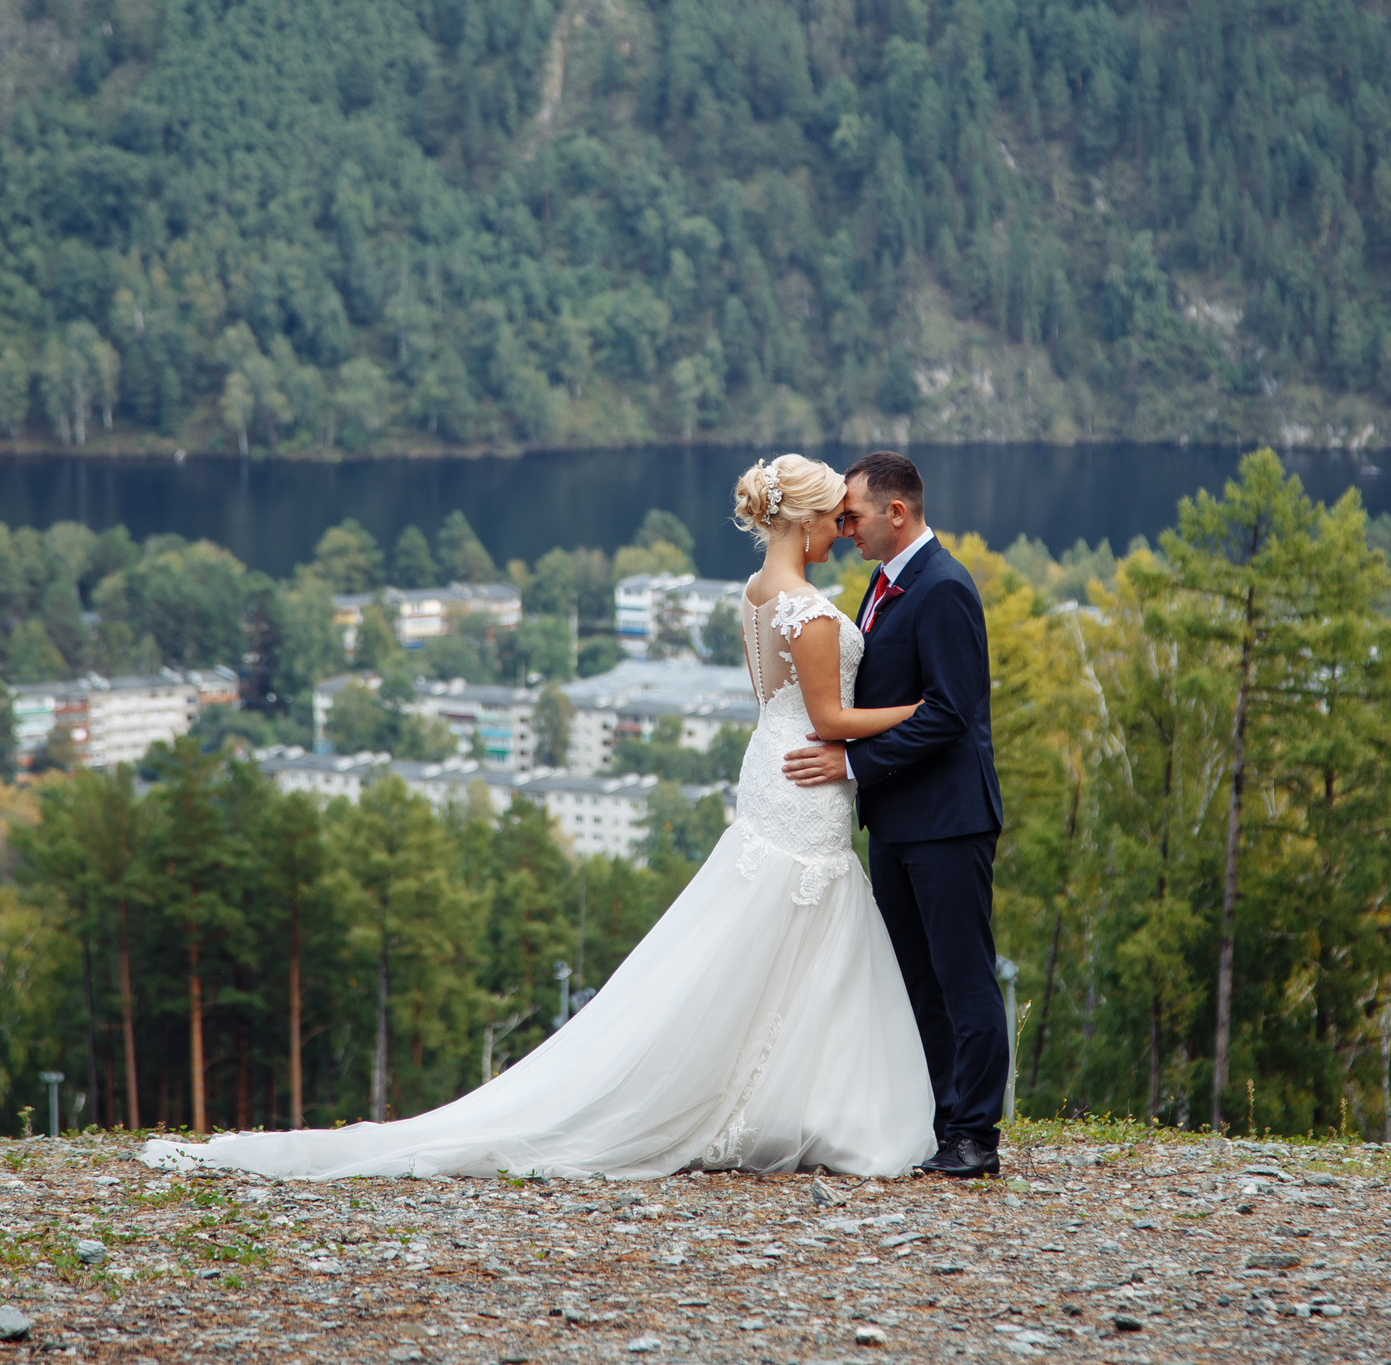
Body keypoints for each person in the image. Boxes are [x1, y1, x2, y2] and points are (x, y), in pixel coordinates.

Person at [139, 455, 935, 1181]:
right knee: (790, 933)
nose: (844, 529)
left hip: (771, 764)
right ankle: (800, 1105)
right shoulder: (809, 609)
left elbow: (774, 702)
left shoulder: (756, 595)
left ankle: (769, 1099)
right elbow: (829, 716)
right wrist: (918, 708)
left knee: (754, 938)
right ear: (803, 519)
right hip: (807, 774)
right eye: (835, 515)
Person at [782, 450, 1007, 1178]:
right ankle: (938, 1121)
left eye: (851, 515)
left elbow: (949, 713)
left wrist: (850, 763)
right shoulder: (883, 584)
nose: (843, 528)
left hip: (948, 820)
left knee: (962, 977)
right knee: (917, 979)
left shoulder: (943, 588)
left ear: (896, 513)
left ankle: (975, 1133)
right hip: (900, 822)